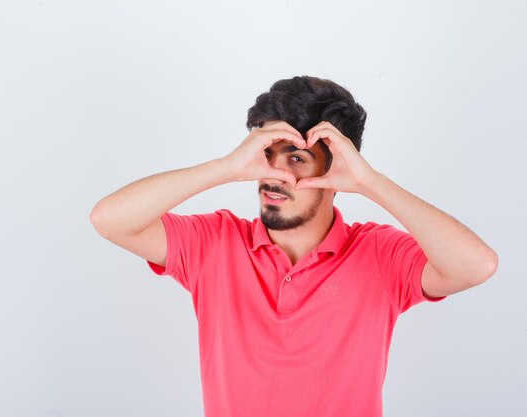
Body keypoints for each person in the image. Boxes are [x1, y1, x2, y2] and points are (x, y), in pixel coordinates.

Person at [89, 75, 498, 417]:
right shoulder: (214, 243)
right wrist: (225, 168)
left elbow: (476, 266)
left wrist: (370, 182)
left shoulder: (378, 253)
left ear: (337, 167)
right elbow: (109, 219)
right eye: (267, 155)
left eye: (297, 159)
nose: (274, 175)